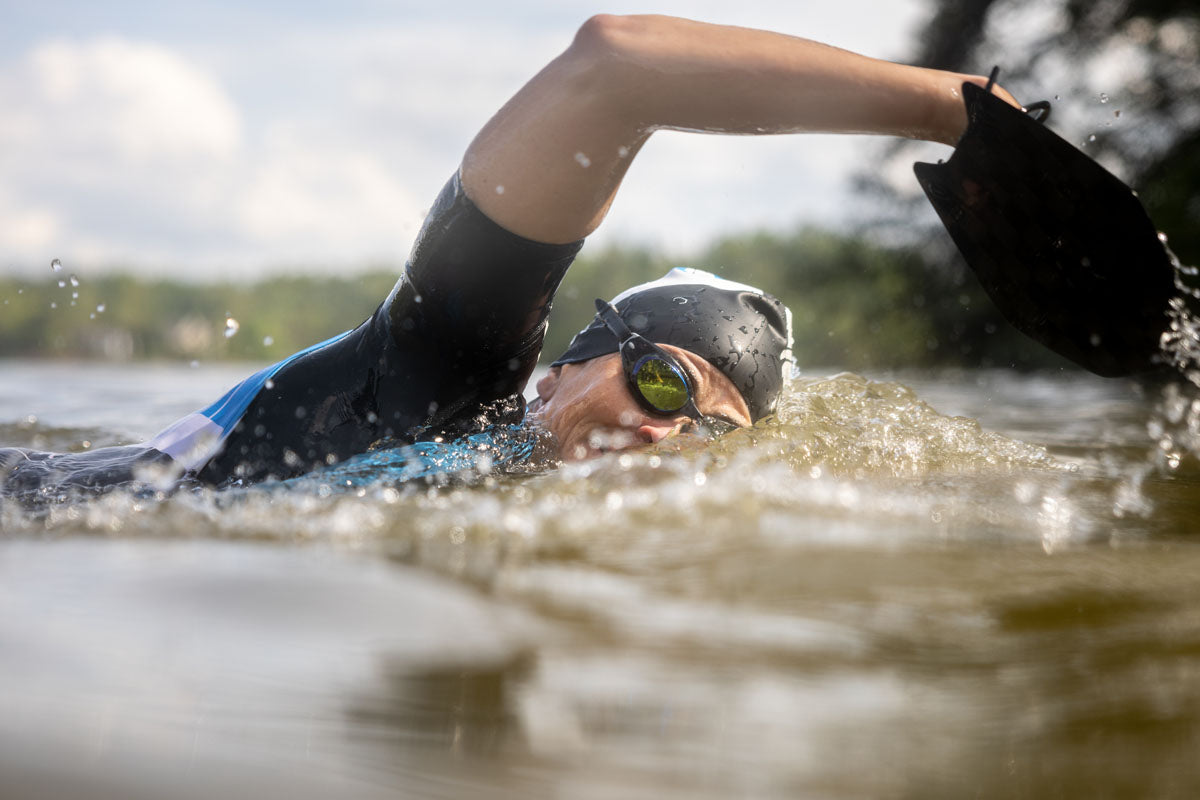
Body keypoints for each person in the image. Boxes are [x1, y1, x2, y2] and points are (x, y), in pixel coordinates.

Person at [0, 14, 1018, 499]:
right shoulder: (449, 370)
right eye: (664, 382)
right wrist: (949, 108)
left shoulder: (522, 498)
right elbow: (616, 72)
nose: (667, 437)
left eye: (712, 434)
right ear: (579, 351)